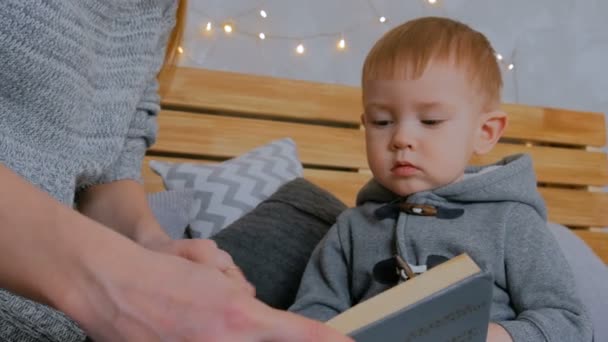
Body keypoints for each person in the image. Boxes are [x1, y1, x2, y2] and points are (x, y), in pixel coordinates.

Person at [0, 1, 352, 341]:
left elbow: (109, 166)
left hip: (58, 324)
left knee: (305, 220)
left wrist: (154, 245)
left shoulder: (158, 8)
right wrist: (115, 281)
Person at [288, 16, 592, 341]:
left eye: (430, 121)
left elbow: (569, 323)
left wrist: (490, 336)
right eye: (381, 122)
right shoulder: (350, 230)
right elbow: (310, 317)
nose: (401, 137)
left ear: (484, 132)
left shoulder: (511, 222)